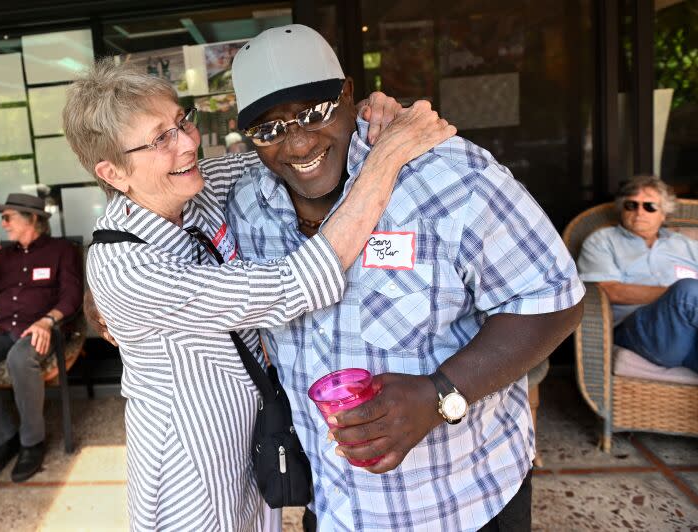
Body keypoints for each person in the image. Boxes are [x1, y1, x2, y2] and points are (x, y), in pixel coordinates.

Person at [64, 55, 453, 531]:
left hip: (254, 435)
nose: (188, 144)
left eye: (181, 122)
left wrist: (366, 116)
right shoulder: (127, 268)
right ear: (113, 173)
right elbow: (295, 284)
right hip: (191, 464)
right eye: (160, 139)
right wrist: (389, 155)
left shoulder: (197, 189)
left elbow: (291, 150)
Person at [225, 25, 585, 531]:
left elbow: (554, 297)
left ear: (349, 95)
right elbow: (163, 189)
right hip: (335, 507)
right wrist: (105, 285)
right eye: (269, 129)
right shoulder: (247, 206)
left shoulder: (447, 176)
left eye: (314, 112)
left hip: (464, 503)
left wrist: (439, 394)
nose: (298, 141)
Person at [0, 193, 82, 482]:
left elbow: (72, 297)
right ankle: (4, 438)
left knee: (20, 359)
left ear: (33, 218)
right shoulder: (1, 257)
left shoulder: (62, 250)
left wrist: (47, 321)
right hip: (2, 328)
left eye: (8, 216)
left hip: (42, 327)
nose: (3, 223)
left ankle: (32, 442)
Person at [577, 175, 698, 371]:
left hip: (689, 335)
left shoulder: (686, 245)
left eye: (649, 206)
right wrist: (675, 296)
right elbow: (608, 290)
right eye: (631, 205)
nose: (639, 212)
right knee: (689, 291)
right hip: (639, 331)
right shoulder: (602, 241)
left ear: (664, 214)